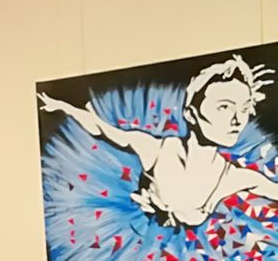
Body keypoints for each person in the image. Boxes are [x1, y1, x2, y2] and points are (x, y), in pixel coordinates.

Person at [39, 54, 276, 227]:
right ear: (191, 114)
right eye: (224, 107)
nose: (237, 120)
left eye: (244, 109)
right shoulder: (157, 150)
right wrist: (65, 108)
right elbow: (103, 130)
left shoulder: (233, 177)